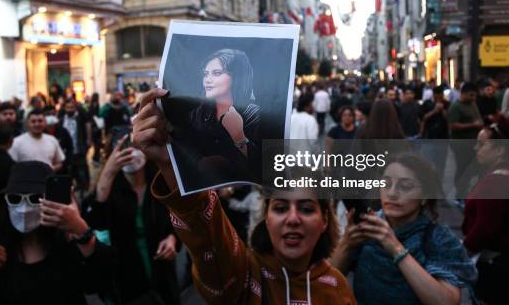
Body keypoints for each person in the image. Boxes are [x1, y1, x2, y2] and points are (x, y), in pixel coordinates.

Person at [131, 89, 356, 304]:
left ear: (325, 219)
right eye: (280, 208)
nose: (293, 218)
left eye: (306, 209)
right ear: (266, 217)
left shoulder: (338, 288)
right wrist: (172, 166)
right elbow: (209, 238)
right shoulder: (244, 275)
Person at [0, 161, 117, 304]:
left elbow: (103, 281)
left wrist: (81, 230)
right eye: (15, 198)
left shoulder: (68, 247)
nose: (24, 208)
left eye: (34, 198)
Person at [330, 153, 477, 304]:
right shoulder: (369, 227)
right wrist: (347, 244)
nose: (392, 193)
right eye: (386, 184)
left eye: (405, 186)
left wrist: (395, 247)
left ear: (424, 196)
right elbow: (324, 283)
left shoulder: (439, 239)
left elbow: (447, 302)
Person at [82, 136, 180, 304]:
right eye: (123, 148)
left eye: (136, 146)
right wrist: (108, 172)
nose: (131, 153)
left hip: (161, 271)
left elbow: (177, 216)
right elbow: (95, 225)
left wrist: (173, 238)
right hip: (126, 277)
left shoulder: (159, 182)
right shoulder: (109, 189)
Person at [179, 49, 261, 187]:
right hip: (205, 194)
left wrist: (239, 137)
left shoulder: (254, 114)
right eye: (205, 74)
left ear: (237, 77)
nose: (207, 80)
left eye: (216, 73)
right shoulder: (197, 114)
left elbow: (264, 166)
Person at [463, 115, 509, 304]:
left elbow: (485, 228)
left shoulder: (495, 183)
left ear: (499, 150)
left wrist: (464, 250)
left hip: (497, 267)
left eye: (482, 144)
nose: (476, 149)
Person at [447, 82, 483, 196]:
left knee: (475, 167)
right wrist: (473, 125)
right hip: (460, 143)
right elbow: (453, 125)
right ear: (463, 94)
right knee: (462, 167)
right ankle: (460, 193)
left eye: (475, 95)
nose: (473, 98)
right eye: (471, 95)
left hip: (473, 142)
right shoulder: (455, 106)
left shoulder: (472, 104)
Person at [59, 99, 92, 191]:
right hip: (66, 150)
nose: (70, 109)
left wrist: (88, 140)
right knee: (70, 169)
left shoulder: (80, 118)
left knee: (82, 168)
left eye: (72, 107)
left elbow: (87, 126)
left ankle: (84, 186)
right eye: (68, 107)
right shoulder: (62, 119)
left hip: (79, 147)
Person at [420, 86, 450, 179]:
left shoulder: (447, 104)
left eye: (440, 96)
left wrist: (442, 110)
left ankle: (439, 182)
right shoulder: (427, 104)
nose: (439, 98)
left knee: (441, 165)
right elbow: (423, 118)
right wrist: (434, 111)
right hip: (429, 138)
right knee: (427, 164)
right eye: (437, 96)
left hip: (442, 139)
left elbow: (450, 119)